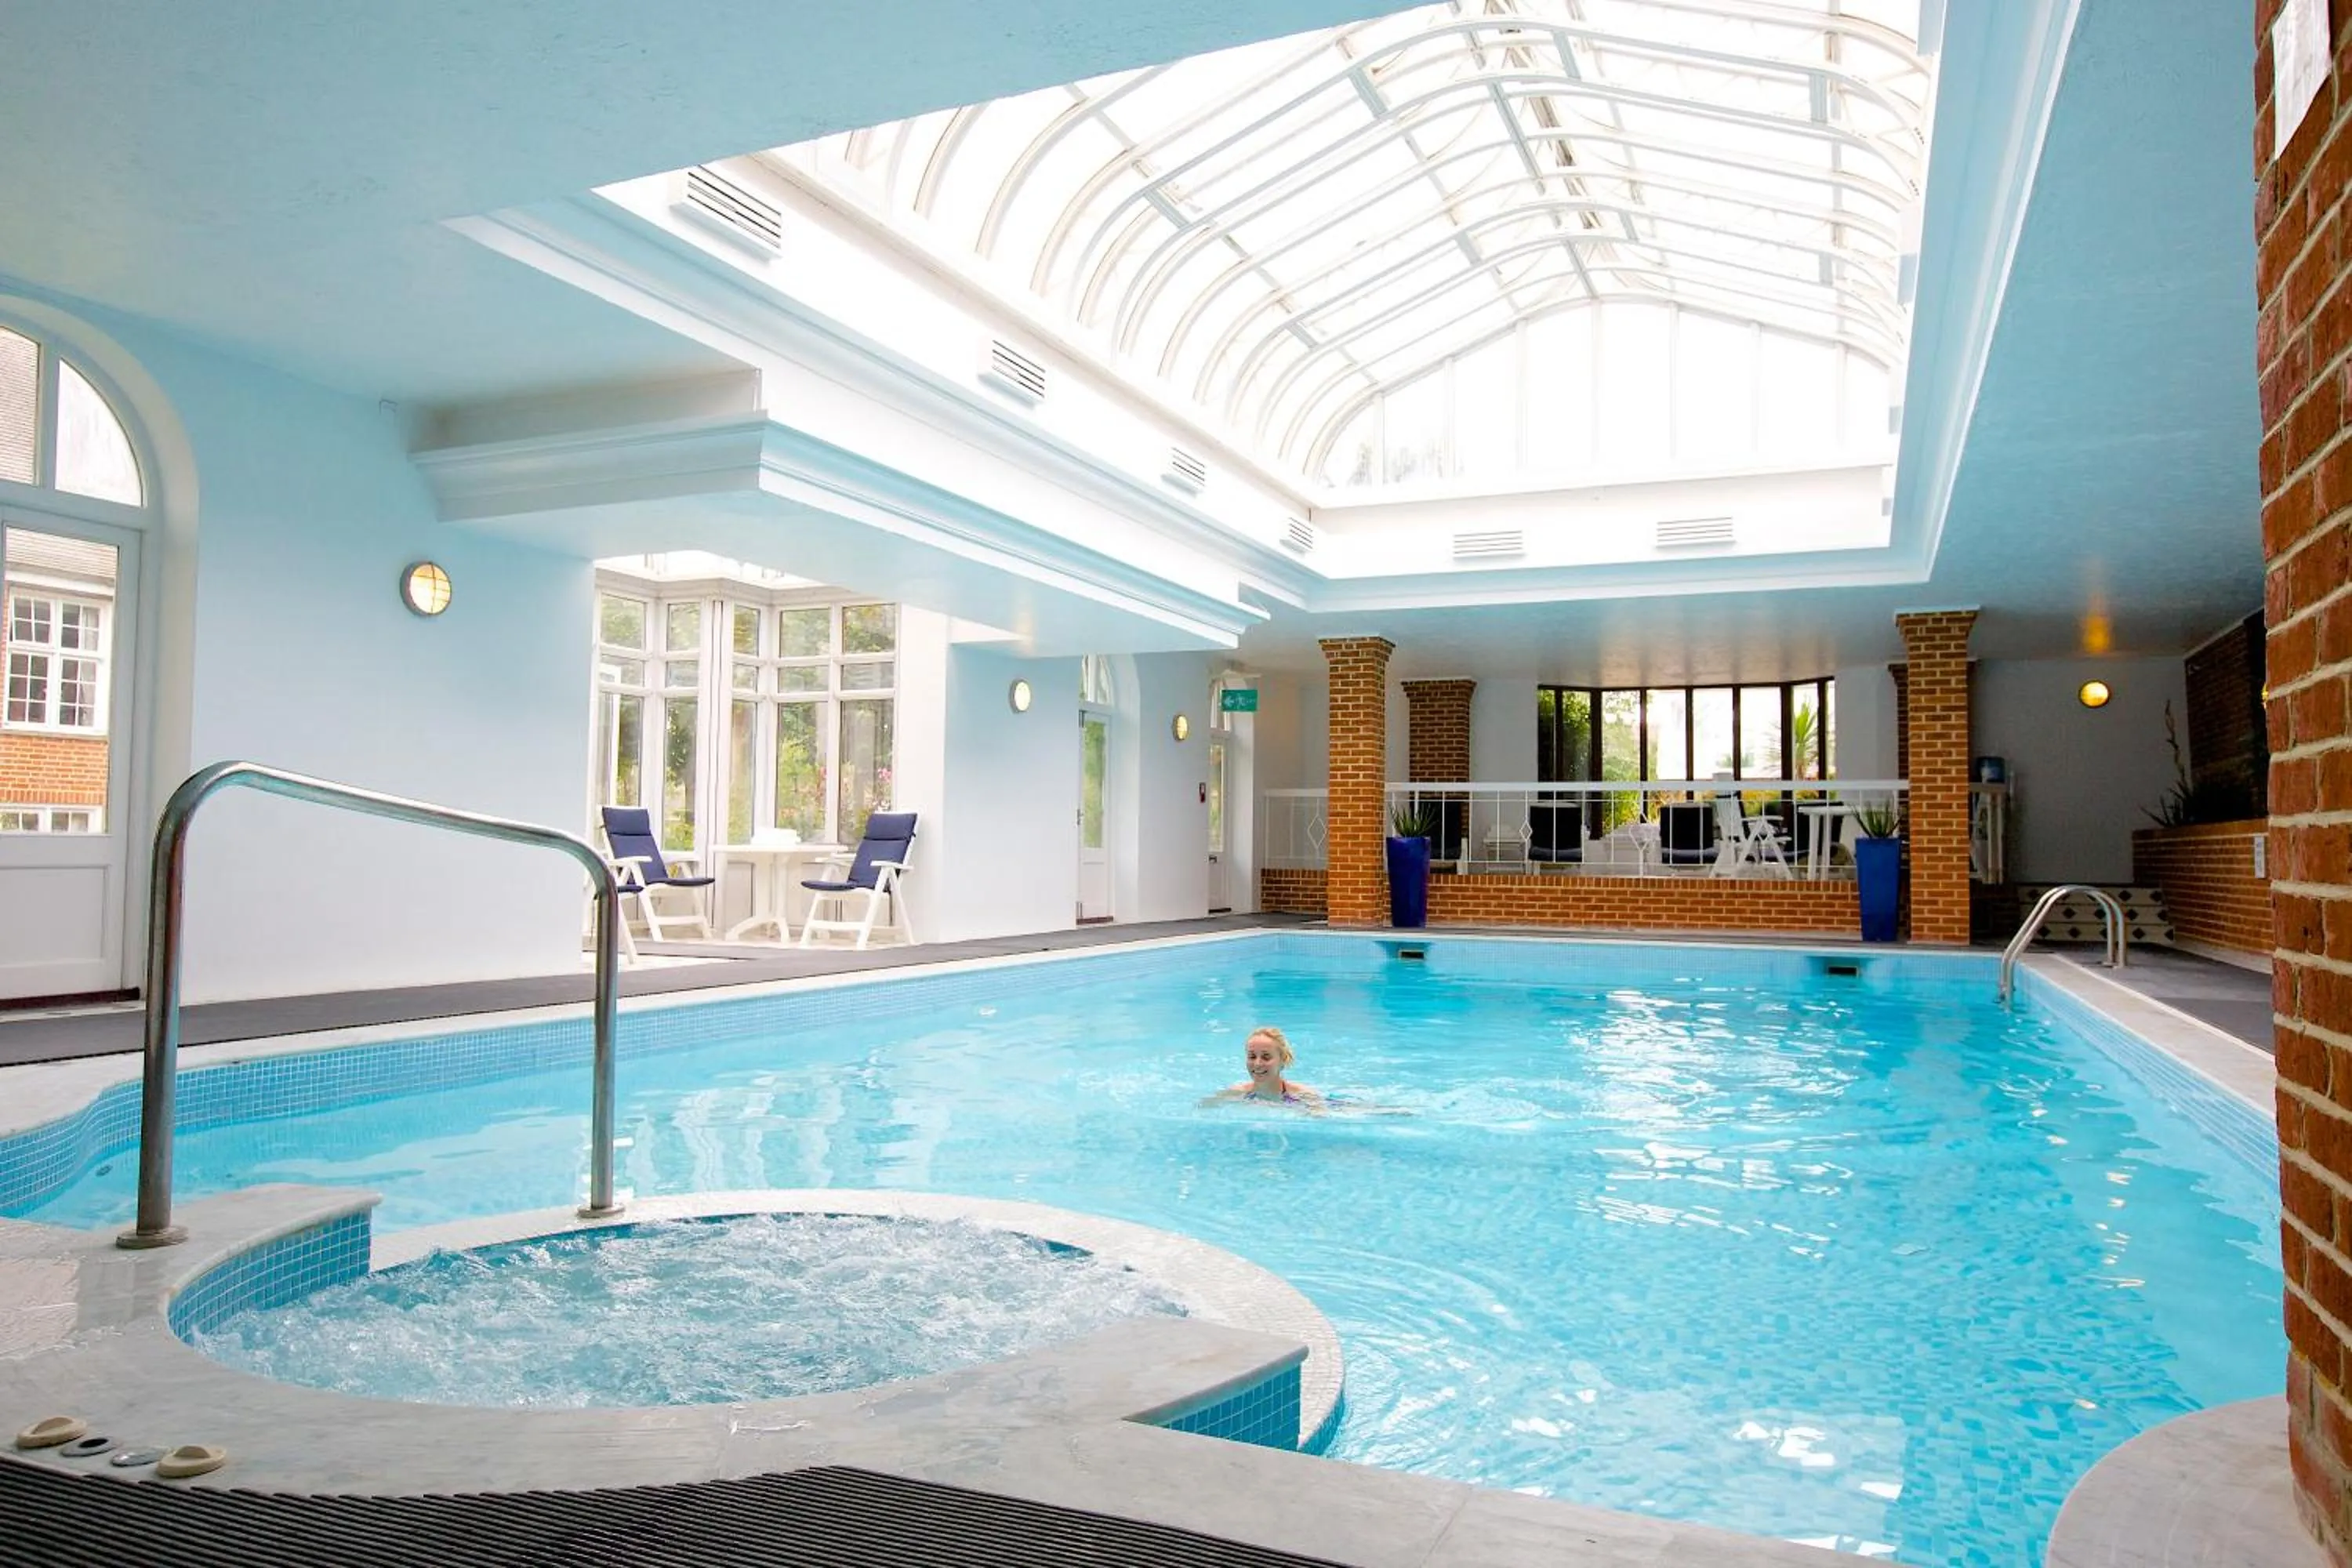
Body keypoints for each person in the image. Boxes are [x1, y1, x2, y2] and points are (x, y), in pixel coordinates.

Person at [1210, 1025, 1322, 1108]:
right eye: (1252, 1056)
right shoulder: (1234, 1094)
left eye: (1266, 1057)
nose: (1257, 1064)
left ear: (1282, 1060)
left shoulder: (1304, 1097)